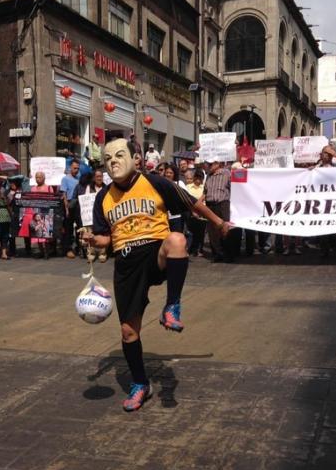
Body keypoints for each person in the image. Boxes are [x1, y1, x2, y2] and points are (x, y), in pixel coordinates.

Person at [82, 138, 231, 412]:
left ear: (134, 158)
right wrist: (93, 239)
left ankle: (172, 306)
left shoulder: (154, 182)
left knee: (176, 240)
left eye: (118, 155)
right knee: (128, 332)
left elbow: (191, 204)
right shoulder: (103, 197)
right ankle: (141, 384)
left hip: (155, 252)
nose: (113, 162)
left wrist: (219, 222)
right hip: (126, 263)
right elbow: (105, 239)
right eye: (107, 158)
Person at [203, 157, 232, 262]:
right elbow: (205, 191)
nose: (208, 166)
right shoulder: (208, 176)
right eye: (208, 164)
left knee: (225, 229)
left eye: (211, 164)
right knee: (212, 231)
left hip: (223, 204)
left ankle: (228, 254)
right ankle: (217, 254)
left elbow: (234, 188)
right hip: (210, 205)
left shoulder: (227, 173)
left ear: (217, 164)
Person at [31, 171, 57, 259]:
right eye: (36, 177)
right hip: (36, 213)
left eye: (40, 177)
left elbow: (53, 200)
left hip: (46, 213)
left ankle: (47, 252)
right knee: (38, 233)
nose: (38, 179)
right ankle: (41, 251)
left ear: (44, 178)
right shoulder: (33, 188)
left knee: (46, 234)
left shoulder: (49, 188)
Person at [61, 160, 81, 259]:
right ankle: (68, 249)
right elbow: (64, 194)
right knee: (68, 228)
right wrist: (66, 208)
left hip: (78, 204)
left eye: (78, 168)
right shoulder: (65, 179)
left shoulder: (78, 179)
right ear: (70, 168)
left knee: (79, 227)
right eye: (75, 168)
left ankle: (78, 247)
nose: (76, 170)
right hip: (69, 204)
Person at [185, 169, 207, 256]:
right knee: (190, 232)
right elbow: (187, 199)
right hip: (191, 212)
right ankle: (190, 248)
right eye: (196, 177)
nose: (198, 180)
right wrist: (193, 211)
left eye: (200, 178)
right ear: (194, 178)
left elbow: (204, 198)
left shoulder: (204, 188)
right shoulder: (188, 187)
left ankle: (199, 249)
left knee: (201, 233)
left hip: (202, 212)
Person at [164, 163, 187, 233]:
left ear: (174, 174)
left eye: (171, 173)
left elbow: (186, 198)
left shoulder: (179, 183)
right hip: (165, 217)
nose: (168, 174)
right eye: (167, 172)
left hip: (176, 217)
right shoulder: (162, 183)